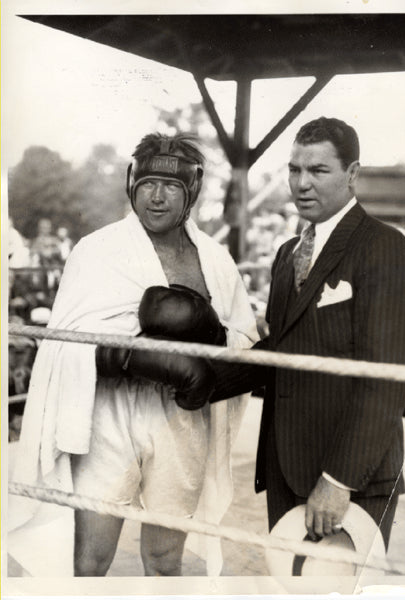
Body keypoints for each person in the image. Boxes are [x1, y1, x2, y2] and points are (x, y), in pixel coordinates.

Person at [13, 133, 258, 577]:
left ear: (192, 193)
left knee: (165, 560)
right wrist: (133, 358)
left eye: (171, 188)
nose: (157, 197)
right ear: (132, 184)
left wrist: (208, 338)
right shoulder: (97, 250)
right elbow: (61, 344)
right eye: (147, 184)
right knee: (91, 558)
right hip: (108, 413)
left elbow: (244, 342)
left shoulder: (215, 260)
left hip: (182, 420)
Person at [213, 117, 405, 552]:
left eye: (318, 171)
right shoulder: (289, 252)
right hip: (284, 470)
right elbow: (280, 349)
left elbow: (386, 378)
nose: (301, 184)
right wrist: (199, 379)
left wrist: (339, 479)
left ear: (352, 175)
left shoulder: (385, 248)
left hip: (349, 479)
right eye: (294, 170)